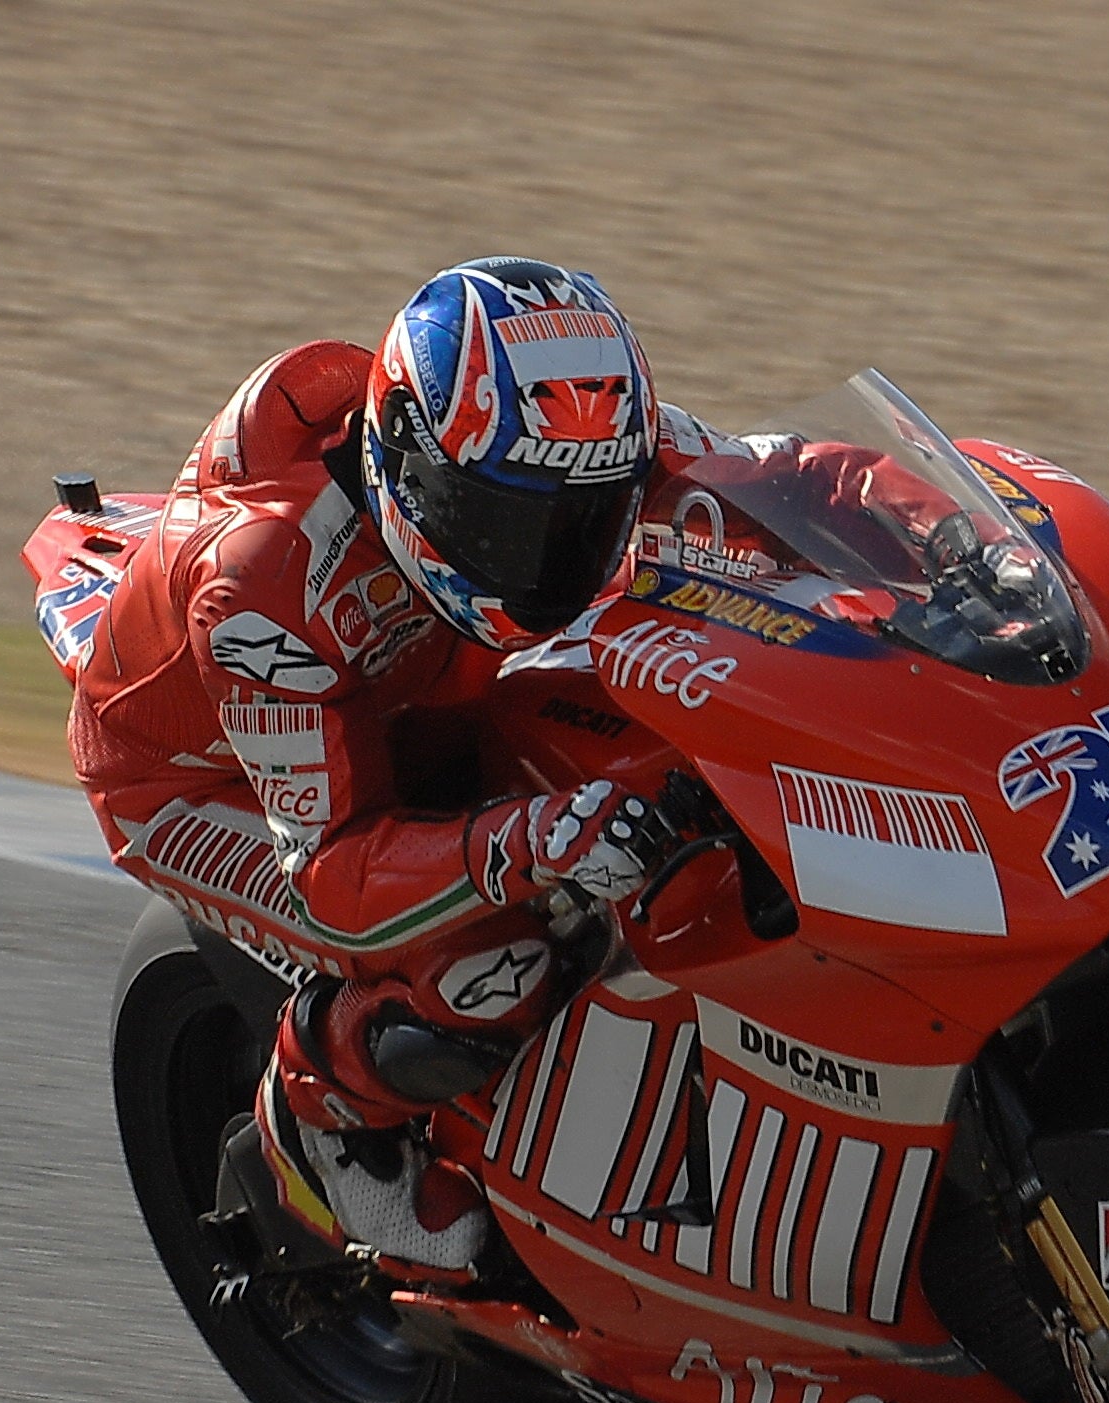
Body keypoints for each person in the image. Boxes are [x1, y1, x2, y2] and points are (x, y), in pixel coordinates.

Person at [67, 257, 970, 1270]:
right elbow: (333, 874)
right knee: (491, 963)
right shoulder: (265, 592)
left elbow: (791, 479)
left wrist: (947, 540)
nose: (552, 556)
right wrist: (532, 840)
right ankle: (316, 1118)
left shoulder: (564, 440)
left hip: (420, 690)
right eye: (508, 521)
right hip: (206, 783)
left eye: (585, 515)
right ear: (413, 471)